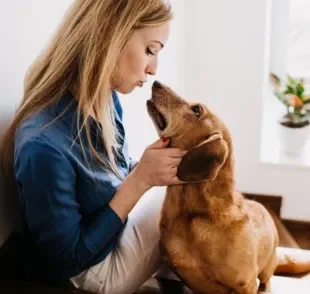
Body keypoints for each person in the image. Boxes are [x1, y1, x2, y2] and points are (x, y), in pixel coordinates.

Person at [0, 1, 187, 293]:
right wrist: (140, 182)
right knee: (183, 199)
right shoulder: (43, 146)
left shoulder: (105, 101)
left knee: (183, 186)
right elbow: (64, 262)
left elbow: (115, 178)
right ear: (111, 35)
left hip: (114, 237)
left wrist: (147, 171)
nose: (153, 69)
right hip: (88, 273)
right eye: (150, 50)